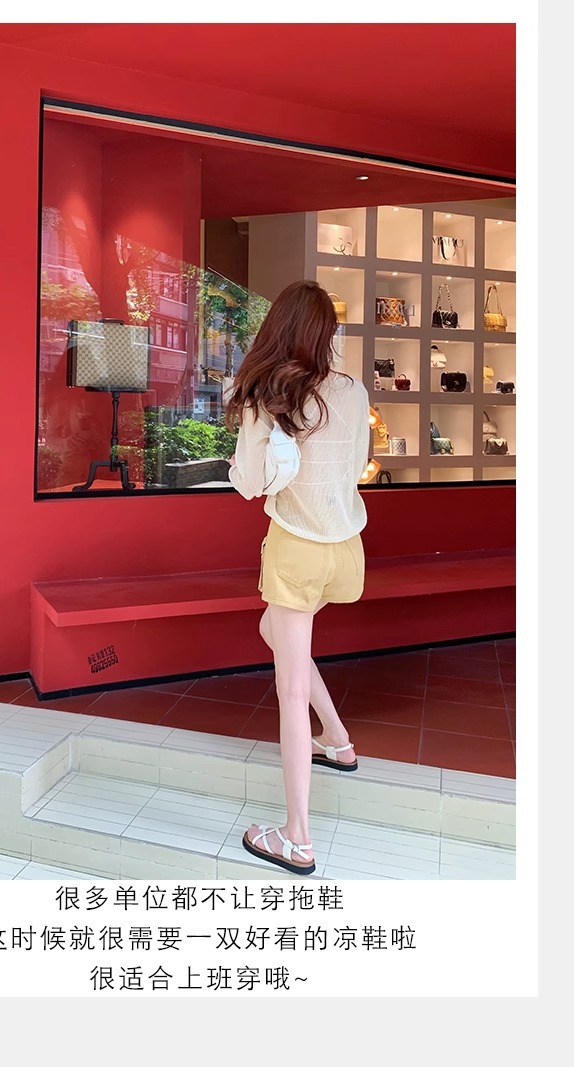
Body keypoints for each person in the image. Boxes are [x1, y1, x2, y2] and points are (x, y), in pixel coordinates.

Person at [225, 279, 370, 877]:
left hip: (295, 552)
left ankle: (297, 838)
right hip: (346, 548)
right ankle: (336, 738)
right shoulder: (353, 392)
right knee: (276, 634)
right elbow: (356, 465)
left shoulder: (272, 394)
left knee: (288, 691)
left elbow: (247, 482)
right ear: (326, 332)